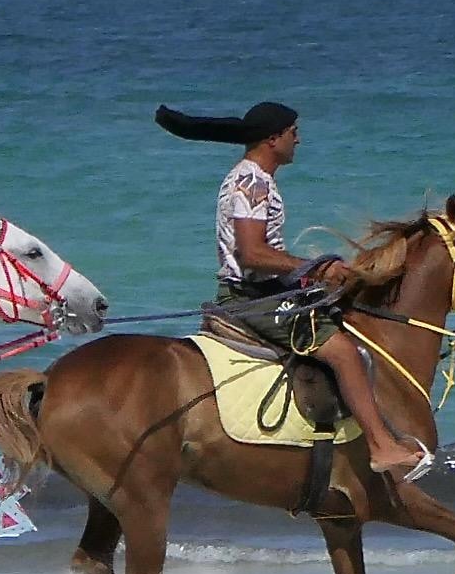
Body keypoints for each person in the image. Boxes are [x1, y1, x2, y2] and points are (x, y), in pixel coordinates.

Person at [154, 99, 431, 481]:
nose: (298, 140)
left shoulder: (254, 178)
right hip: (251, 297)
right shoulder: (253, 182)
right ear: (273, 139)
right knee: (344, 353)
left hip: (264, 289)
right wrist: (314, 268)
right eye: (293, 132)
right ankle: (381, 446)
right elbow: (252, 253)